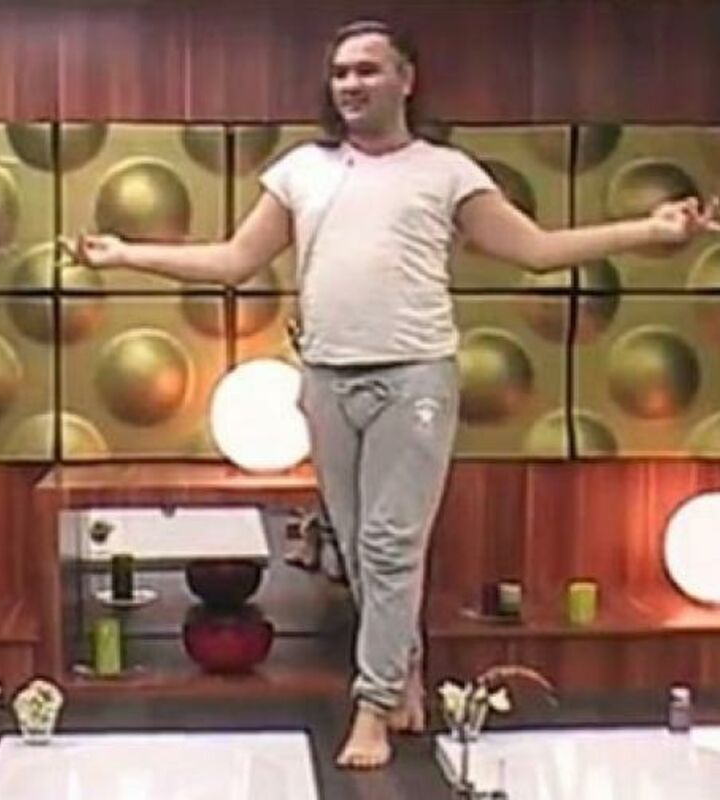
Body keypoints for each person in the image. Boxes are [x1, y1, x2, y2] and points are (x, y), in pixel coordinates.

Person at [75, 19, 718, 769]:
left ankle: (373, 706)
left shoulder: (446, 171)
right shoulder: (302, 170)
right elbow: (232, 260)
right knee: (358, 552)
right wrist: (126, 253)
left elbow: (537, 250)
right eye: (341, 72)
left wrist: (649, 230)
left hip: (413, 379)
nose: (351, 84)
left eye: (368, 70)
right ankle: (403, 665)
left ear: (406, 79)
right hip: (326, 380)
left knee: (388, 545)